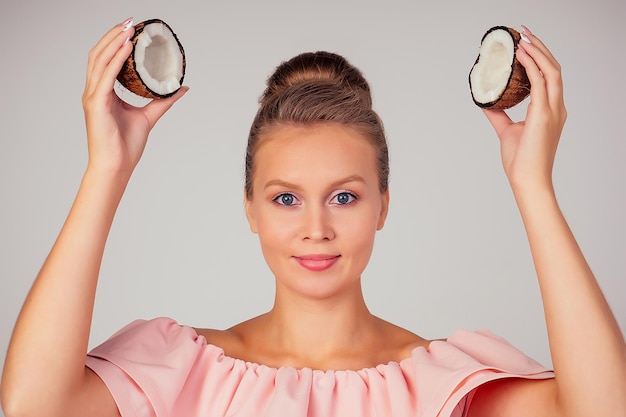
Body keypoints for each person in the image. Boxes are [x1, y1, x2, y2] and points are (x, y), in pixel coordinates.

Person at [1, 17, 624, 417]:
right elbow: (31, 406)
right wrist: (105, 172)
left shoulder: (441, 383)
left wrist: (533, 185)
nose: (316, 229)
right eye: (285, 198)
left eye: (345, 197)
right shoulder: (178, 367)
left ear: (384, 204)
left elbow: (606, 407)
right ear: (250, 207)